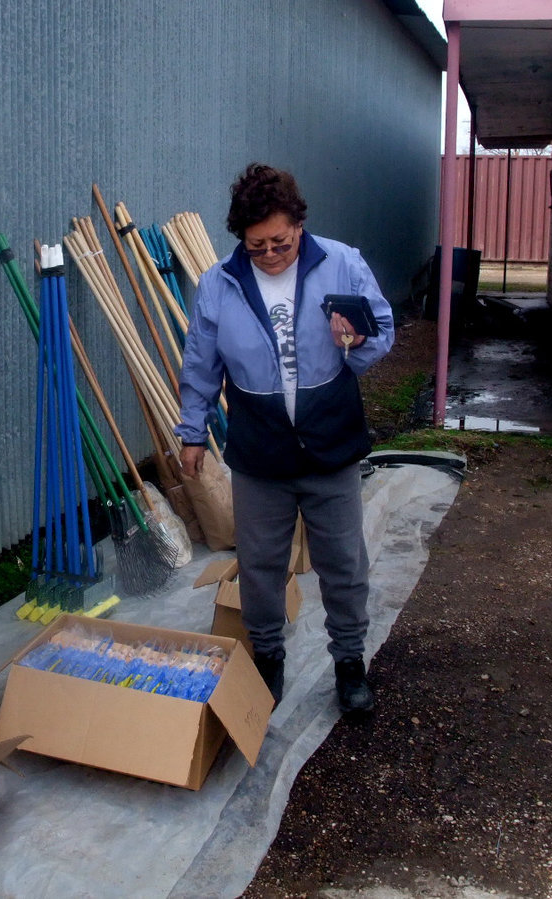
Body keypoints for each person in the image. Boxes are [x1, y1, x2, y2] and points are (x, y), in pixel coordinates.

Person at [175, 163, 395, 715]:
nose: (271, 254)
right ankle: (268, 660)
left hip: (332, 444)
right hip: (261, 451)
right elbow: (201, 363)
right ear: (240, 240)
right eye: (257, 246)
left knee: (344, 563)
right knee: (260, 565)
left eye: (281, 242)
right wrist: (191, 431)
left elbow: (382, 331)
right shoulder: (218, 284)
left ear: (299, 224)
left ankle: (349, 664)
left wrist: (358, 342)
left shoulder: (341, 263)